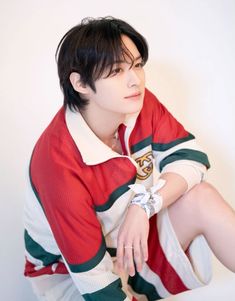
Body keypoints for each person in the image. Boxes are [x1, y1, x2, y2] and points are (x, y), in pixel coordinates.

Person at [24, 16, 235, 301]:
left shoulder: (137, 101)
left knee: (202, 196)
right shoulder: (56, 161)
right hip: (73, 281)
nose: (135, 80)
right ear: (81, 83)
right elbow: (94, 281)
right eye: (116, 71)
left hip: (132, 246)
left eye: (137, 65)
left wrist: (143, 206)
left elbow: (192, 160)